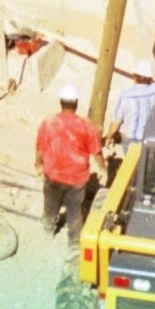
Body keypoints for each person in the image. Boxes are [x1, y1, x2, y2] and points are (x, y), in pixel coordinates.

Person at [35, 83, 105, 242]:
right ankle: (74, 242)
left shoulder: (48, 122)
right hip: (77, 180)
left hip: (53, 175)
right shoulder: (86, 125)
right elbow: (97, 152)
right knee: (75, 212)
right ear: (76, 103)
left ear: (60, 102)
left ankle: (48, 231)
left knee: (50, 207)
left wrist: (38, 165)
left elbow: (40, 148)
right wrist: (103, 169)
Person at [103, 57, 155, 179]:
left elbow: (116, 122)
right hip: (148, 140)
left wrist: (109, 137)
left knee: (133, 171)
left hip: (130, 141)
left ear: (134, 77)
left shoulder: (125, 95)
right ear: (150, 78)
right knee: (147, 171)